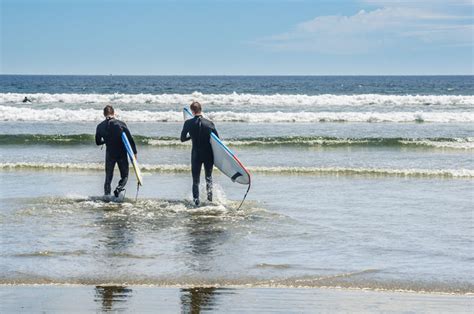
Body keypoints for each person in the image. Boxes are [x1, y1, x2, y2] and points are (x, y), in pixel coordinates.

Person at [181, 101, 219, 206]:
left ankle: (196, 202)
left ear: (192, 111)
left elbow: (182, 139)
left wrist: (191, 137)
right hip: (208, 154)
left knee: (195, 180)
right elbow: (217, 141)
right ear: (201, 109)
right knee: (208, 178)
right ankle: (209, 201)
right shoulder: (210, 123)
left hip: (196, 155)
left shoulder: (188, 123)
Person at [95, 105, 137, 197]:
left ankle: (106, 197)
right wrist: (134, 153)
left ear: (104, 114)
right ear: (114, 113)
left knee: (108, 178)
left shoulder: (100, 126)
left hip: (110, 154)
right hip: (121, 153)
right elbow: (129, 139)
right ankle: (118, 188)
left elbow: (98, 142)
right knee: (125, 176)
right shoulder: (121, 124)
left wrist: (106, 140)